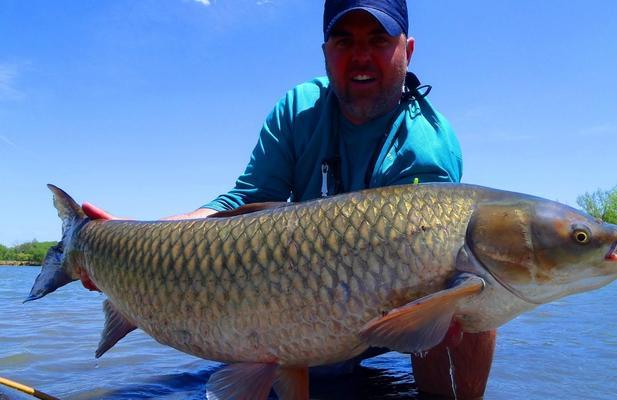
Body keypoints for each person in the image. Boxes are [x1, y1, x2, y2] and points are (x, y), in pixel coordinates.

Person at [83, 0, 496, 398]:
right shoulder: (297, 109)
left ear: (407, 49)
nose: (361, 56)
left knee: (472, 297)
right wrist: (144, 238)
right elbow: (246, 199)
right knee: (310, 355)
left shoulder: (427, 143)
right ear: (324, 52)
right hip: (304, 299)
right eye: (344, 42)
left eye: (378, 39)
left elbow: (433, 272)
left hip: (394, 308)